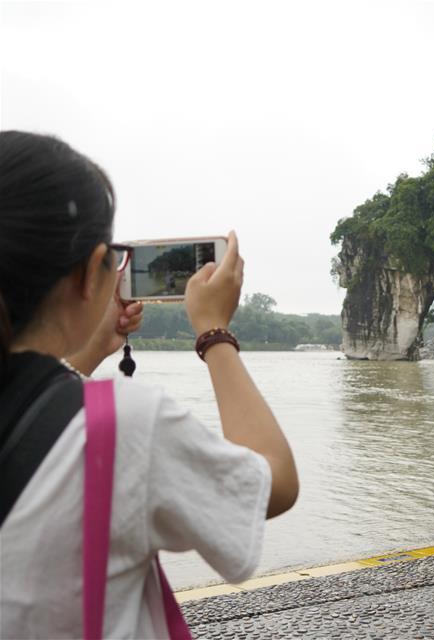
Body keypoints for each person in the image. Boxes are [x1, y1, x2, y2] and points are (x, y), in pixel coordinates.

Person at [0, 131, 299, 638]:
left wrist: (92, 350)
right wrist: (213, 332)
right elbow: (273, 483)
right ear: (90, 272)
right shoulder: (123, 428)